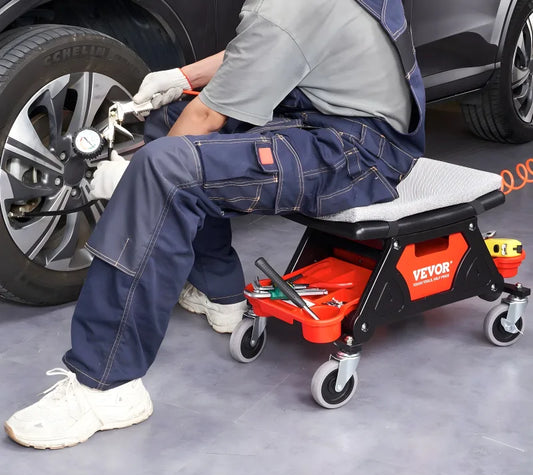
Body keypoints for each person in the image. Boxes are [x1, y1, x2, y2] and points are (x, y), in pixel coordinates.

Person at [5, 0, 425, 449]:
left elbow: (209, 114)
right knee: (170, 118)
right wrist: (181, 78)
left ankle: (105, 383)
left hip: (357, 152)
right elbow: (273, 46)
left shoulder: (289, 6)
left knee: (165, 169)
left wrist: (134, 179)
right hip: (319, 115)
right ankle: (218, 290)